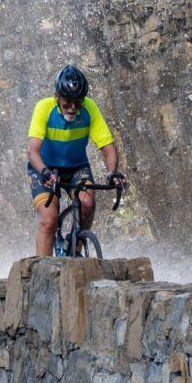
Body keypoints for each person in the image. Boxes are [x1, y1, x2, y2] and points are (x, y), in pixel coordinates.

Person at [27, 64, 124, 256]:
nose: (72, 109)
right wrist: (45, 172)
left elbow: (108, 147)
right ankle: (42, 270)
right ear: (57, 98)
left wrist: (112, 172)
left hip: (76, 167)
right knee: (48, 219)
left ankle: (74, 251)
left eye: (77, 103)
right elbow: (32, 151)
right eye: (67, 104)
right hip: (44, 167)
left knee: (87, 204)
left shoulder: (90, 108)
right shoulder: (44, 108)